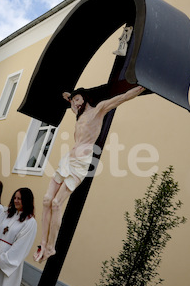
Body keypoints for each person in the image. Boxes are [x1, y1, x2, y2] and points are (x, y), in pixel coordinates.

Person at [34, 85, 145, 262]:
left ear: (85, 99)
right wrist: (69, 97)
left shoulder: (97, 111)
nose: (75, 104)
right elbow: (69, 99)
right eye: (74, 101)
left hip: (81, 162)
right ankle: (42, 243)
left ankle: (50, 247)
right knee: (47, 199)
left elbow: (121, 98)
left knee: (56, 203)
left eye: (79, 100)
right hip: (68, 158)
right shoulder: (78, 113)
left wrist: (141, 87)